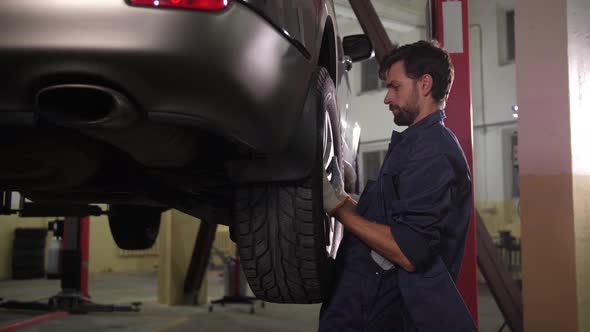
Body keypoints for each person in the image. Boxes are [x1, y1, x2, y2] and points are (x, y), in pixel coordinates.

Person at [318, 40, 476, 332]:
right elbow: (382, 224)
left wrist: (340, 210)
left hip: (386, 317)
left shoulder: (434, 152)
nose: (387, 98)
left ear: (425, 84)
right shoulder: (413, 146)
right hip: (363, 308)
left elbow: (408, 251)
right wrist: (343, 199)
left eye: (395, 87)